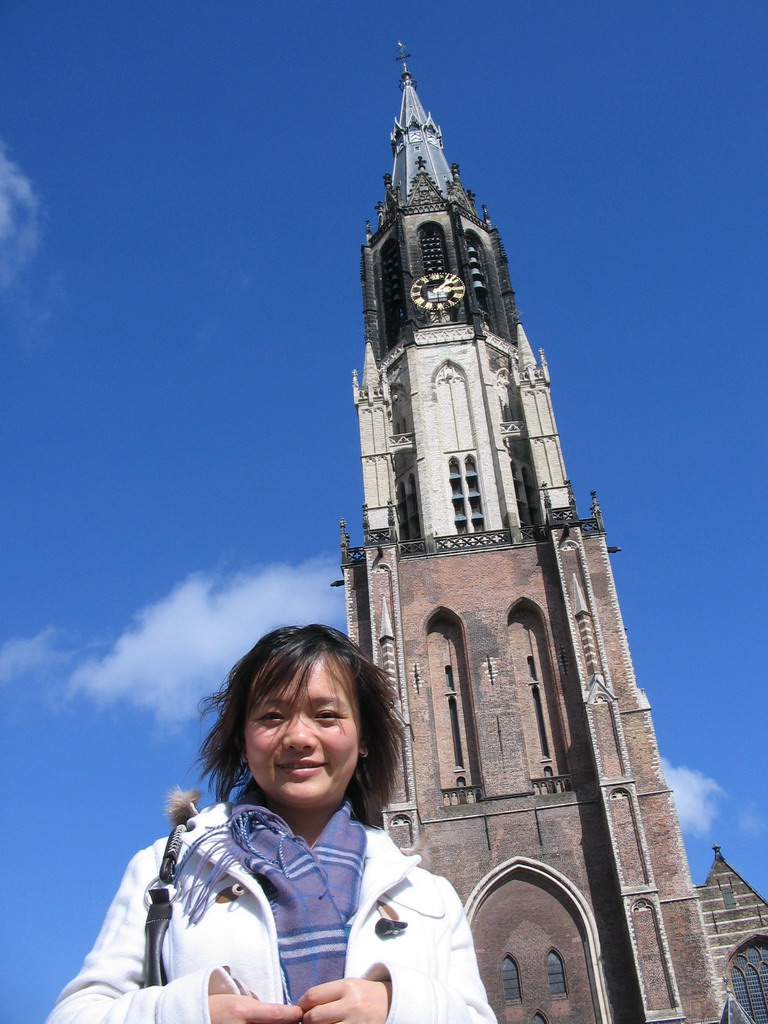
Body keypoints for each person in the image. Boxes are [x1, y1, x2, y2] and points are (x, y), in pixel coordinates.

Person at [47, 624, 496, 1024]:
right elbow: (76, 1013)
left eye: (327, 716)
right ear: (243, 741)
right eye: (271, 717)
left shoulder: (426, 894)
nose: (299, 737)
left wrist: (397, 1009)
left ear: (363, 741)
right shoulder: (166, 869)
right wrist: (189, 1013)